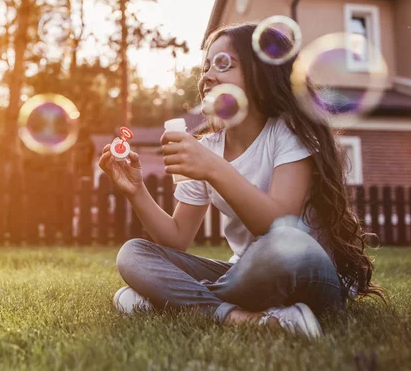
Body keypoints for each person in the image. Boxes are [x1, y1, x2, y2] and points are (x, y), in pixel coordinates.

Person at [98, 22, 385, 339]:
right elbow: (176, 239)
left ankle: (170, 298)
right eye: (205, 66)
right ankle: (240, 317)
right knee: (134, 253)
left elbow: (281, 224)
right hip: (244, 274)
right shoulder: (206, 148)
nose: (206, 75)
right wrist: (136, 190)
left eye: (223, 64)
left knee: (285, 244)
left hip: (305, 269)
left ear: (261, 73)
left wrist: (214, 169)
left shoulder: (287, 132)